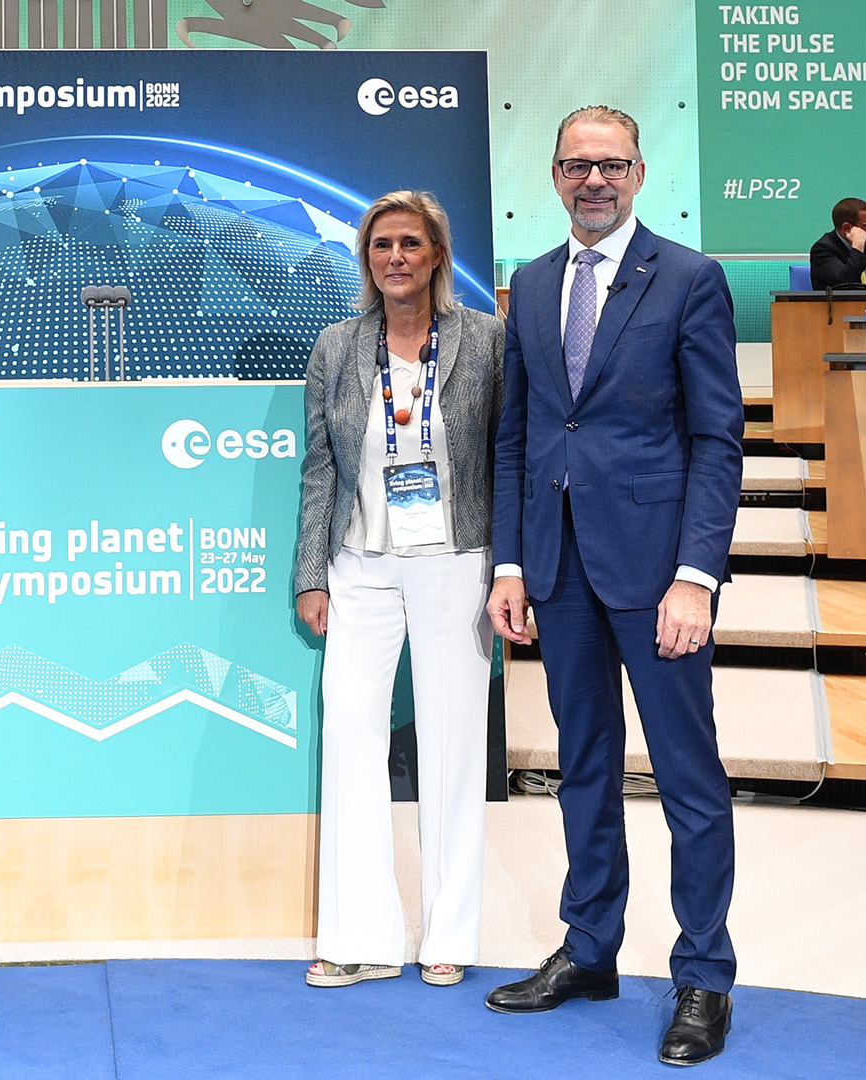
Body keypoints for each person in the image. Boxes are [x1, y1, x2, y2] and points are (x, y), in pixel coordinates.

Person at [486, 106, 743, 1066]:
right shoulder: (531, 282)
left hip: (657, 573)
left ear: (638, 172)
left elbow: (717, 436)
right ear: (555, 175)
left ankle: (703, 975)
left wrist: (696, 577)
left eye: (612, 165)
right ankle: (590, 948)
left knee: (687, 779)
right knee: (583, 768)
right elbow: (520, 436)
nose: (594, 180)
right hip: (558, 571)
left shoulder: (690, 278)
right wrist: (511, 563)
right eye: (576, 165)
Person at [294, 191, 503, 991]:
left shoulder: (486, 340)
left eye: (411, 243)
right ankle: (359, 937)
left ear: (437, 254)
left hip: (458, 559)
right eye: (382, 245)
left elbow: (508, 458)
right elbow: (320, 467)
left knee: (454, 745)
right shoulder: (336, 345)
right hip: (361, 564)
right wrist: (312, 573)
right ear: (367, 258)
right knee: (351, 734)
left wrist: (511, 569)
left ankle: (448, 934)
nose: (396, 258)